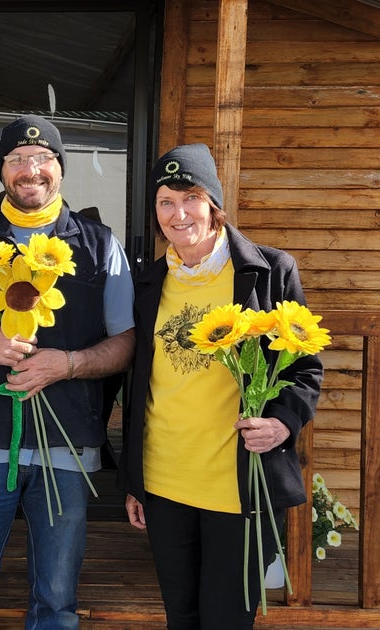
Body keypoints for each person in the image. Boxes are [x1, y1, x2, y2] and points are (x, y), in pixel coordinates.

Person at [0, 115, 136, 628]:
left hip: (67, 445)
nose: (31, 169)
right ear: (1, 171)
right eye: (17, 159)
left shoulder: (98, 244)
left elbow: (125, 343)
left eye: (43, 159)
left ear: (60, 168)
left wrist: (67, 364)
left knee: (58, 600)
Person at [119, 143, 324, 629]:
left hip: (238, 486)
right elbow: (140, 386)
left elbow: (306, 369)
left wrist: (281, 422)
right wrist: (133, 480)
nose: (178, 213)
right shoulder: (148, 282)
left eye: (190, 197)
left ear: (213, 203)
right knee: (181, 618)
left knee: (228, 619)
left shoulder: (268, 272)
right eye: (165, 202)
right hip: (165, 481)